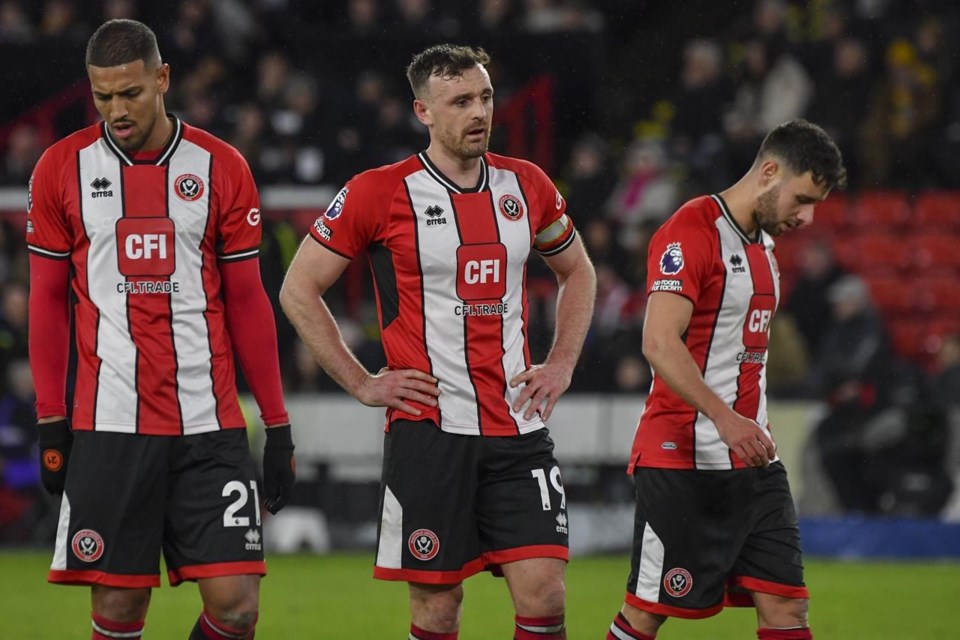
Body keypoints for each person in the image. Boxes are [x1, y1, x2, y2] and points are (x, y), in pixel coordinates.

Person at [280, 44, 596, 640]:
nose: (478, 113)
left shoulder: (526, 184)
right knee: (437, 608)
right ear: (423, 111)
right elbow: (299, 289)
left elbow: (577, 270)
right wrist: (361, 381)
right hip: (429, 431)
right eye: (460, 102)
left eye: (485, 98)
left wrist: (561, 362)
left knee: (546, 595)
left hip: (517, 429)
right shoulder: (377, 192)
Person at [27, 19, 295, 640]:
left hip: (209, 424)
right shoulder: (60, 168)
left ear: (163, 79)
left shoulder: (220, 166)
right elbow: (45, 301)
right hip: (110, 423)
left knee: (237, 607)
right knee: (119, 611)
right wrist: (50, 416)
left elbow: (249, 300)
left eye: (130, 93)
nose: (116, 110)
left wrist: (277, 424)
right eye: (102, 96)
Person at [607, 119, 846, 640]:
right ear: (768, 172)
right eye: (802, 199)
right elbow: (658, 342)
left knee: (787, 610)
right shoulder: (690, 231)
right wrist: (724, 418)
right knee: (646, 613)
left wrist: (744, 424)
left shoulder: (765, 248)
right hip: (682, 458)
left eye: (815, 206)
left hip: (755, 464)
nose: (806, 217)